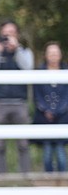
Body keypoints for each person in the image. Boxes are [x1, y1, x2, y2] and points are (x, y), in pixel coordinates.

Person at [0, 19, 34, 174]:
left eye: (11, 33)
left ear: (17, 35)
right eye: (5, 34)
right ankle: (0, 179)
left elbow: (29, 70)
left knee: (23, 144)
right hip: (0, 103)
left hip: (20, 103)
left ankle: (25, 177)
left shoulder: (25, 52)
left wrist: (16, 50)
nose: (8, 37)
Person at [33, 42, 67, 173]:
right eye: (50, 53)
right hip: (44, 118)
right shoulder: (39, 73)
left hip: (63, 117)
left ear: (60, 55)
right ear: (46, 55)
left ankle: (63, 182)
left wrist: (59, 110)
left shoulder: (65, 71)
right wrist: (46, 110)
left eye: (56, 53)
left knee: (60, 151)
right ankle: (48, 182)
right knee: (47, 153)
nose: (53, 56)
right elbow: (37, 95)